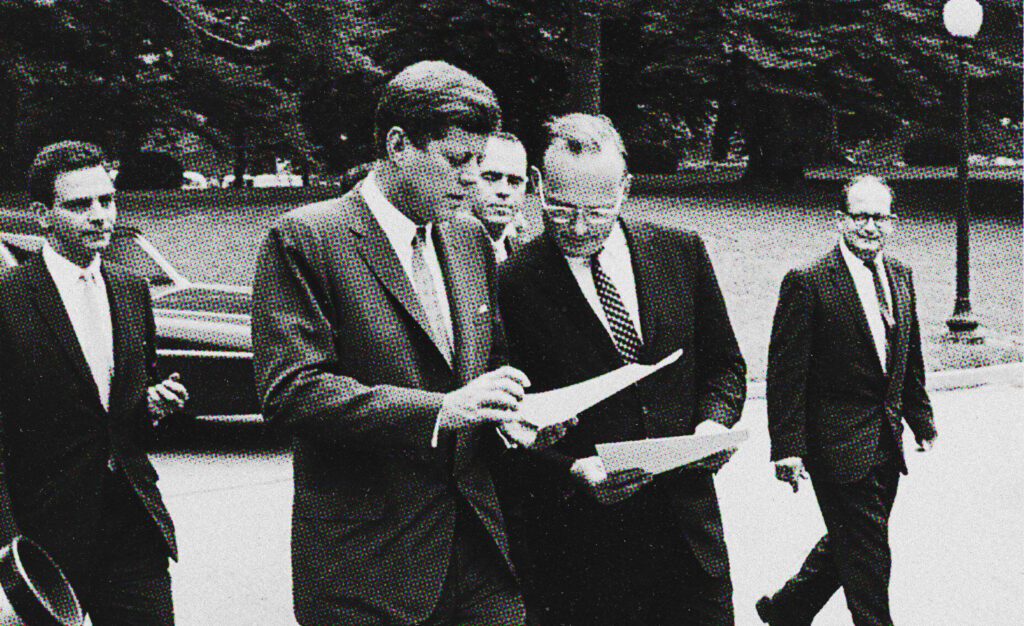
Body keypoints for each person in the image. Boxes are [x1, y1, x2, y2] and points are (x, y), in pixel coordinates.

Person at [252, 61, 561, 625]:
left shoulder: (468, 236)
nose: (473, 179)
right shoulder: (306, 237)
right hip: (369, 571)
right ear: (397, 144)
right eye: (458, 161)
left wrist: (518, 416)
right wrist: (439, 412)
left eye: (480, 160)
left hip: (479, 558)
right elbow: (290, 389)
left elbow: (490, 363)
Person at [496, 113, 747, 625]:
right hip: (581, 556)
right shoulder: (511, 282)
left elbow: (725, 365)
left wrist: (712, 425)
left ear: (626, 189)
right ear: (540, 187)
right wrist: (569, 470)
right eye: (560, 211)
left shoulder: (680, 251)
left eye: (597, 212)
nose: (580, 228)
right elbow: (502, 430)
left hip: (688, 540)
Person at [0, 140, 187, 624]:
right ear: (42, 214)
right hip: (43, 536)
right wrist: (5, 555)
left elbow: (117, 411)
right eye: (80, 205)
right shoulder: (8, 300)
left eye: (107, 200)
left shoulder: (131, 290)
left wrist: (151, 404)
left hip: (131, 526)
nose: (100, 215)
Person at [757, 175, 937, 626]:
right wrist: (787, 447)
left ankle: (787, 610)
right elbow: (786, 372)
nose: (870, 227)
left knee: (852, 541)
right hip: (834, 445)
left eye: (880, 218)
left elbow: (907, 355)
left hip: (885, 440)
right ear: (840, 220)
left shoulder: (901, 274)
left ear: (892, 223)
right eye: (861, 216)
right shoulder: (809, 281)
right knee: (869, 554)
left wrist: (921, 419)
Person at [467, 132, 529, 263]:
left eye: (514, 182)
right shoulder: (444, 247)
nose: (503, 191)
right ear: (469, 177)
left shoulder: (523, 252)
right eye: (491, 178)